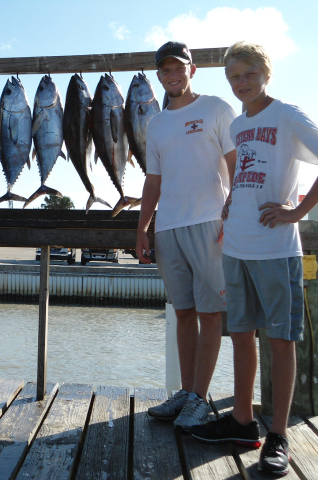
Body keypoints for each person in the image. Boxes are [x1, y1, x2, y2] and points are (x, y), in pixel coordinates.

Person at [190, 41, 318, 476]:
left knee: (280, 340)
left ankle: (278, 434)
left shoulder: (287, 114)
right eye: (233, 78)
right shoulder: (241, 123)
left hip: (275, 248)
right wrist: (233, 203)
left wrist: (297, 212)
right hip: (237, 245)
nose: (241, 84)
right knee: (241, 334)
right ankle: (243, 422)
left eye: (248, 74)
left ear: (266, 73)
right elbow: (247, 170)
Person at [135, 41, 237, 431]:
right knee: (184, 312)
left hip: (211, 222)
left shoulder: (215, 108)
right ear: (159, 76)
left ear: (192, 70)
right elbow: (153, 180)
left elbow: (235, 164)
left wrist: (234, 211)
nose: (173, 75)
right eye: (165, 70)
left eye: (179, 68)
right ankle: (185, 392)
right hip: (169, 227)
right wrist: (142, 227)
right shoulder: (156, 123)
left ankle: (199, 397)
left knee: (211, 314)